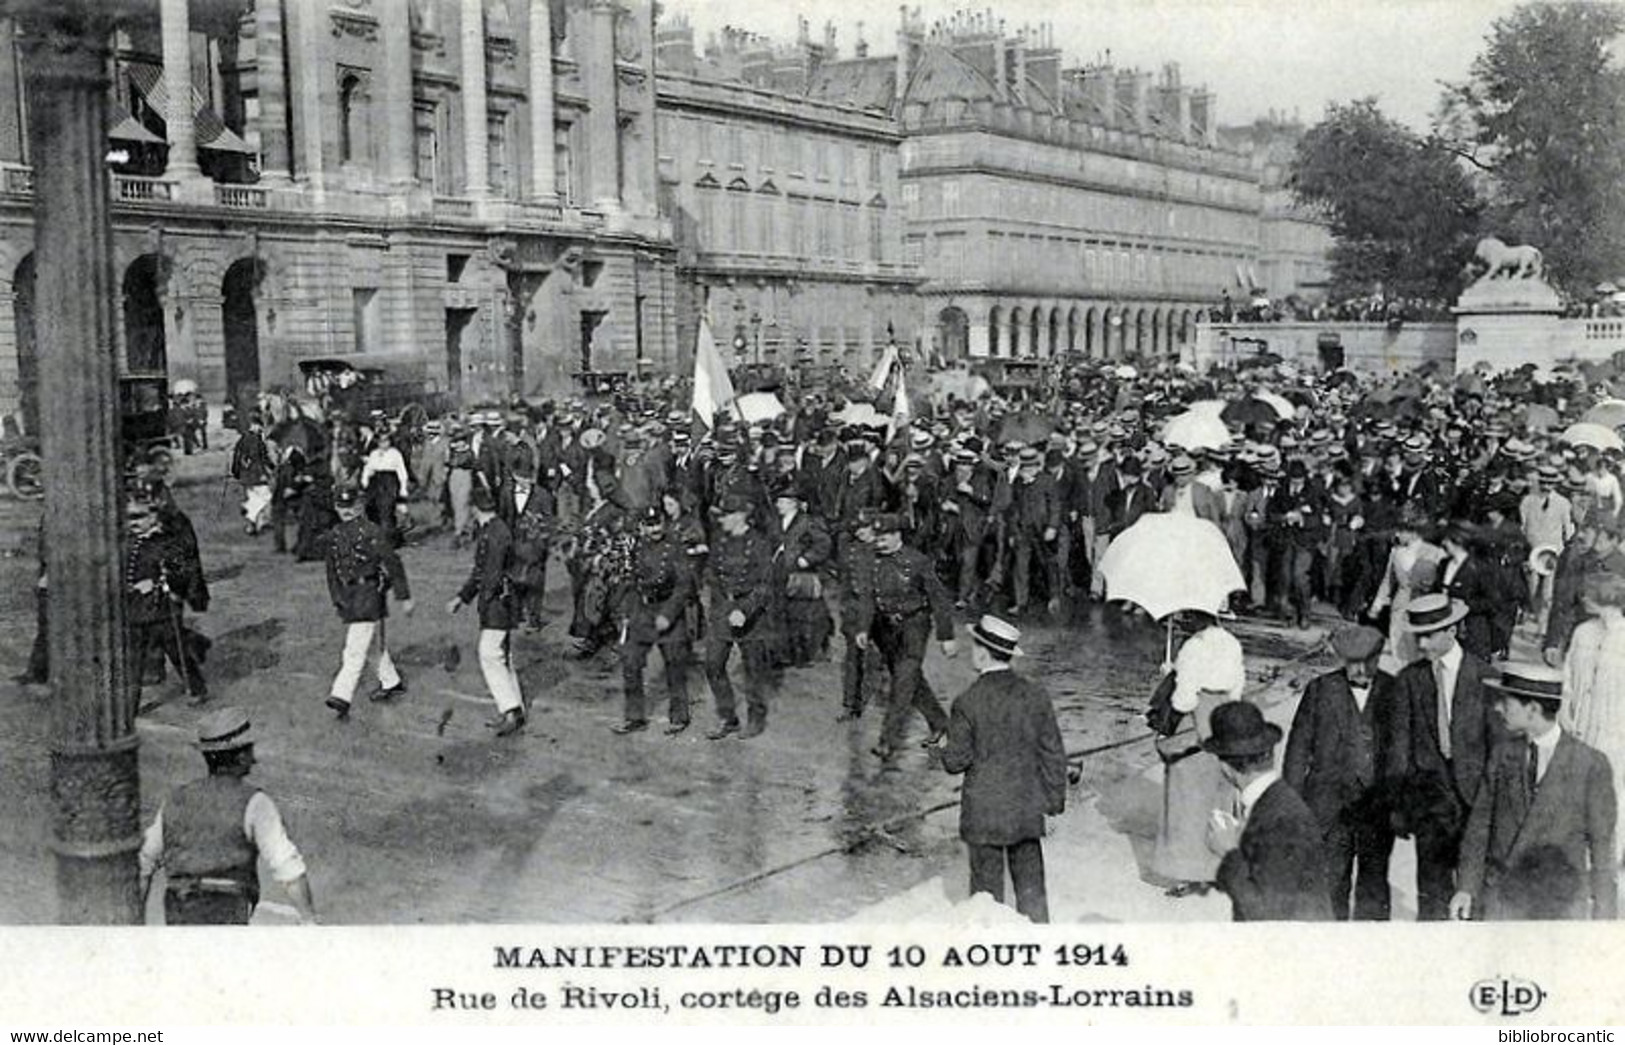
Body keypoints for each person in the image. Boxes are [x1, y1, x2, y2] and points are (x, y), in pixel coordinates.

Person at [1451, 662, 1617, 921]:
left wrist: (1604, 914)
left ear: (1533, 709)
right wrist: (1466, 888)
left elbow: (1602, 847)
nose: (1498, 708)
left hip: (1558, 908)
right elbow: (1479, 827)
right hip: (1502, 902)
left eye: (1506, 702)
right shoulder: (1502, 754)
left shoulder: (1590, 764)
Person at [933, 615, 1067, 923]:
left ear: (982, 653)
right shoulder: (1035, 695)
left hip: (984, 814)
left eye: (974, 647)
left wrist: (940, 746)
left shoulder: (967, 701)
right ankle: (1039, 941)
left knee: (986, 901)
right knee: (1032, 894)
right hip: (1026, 809)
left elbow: (956, 761)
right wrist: (1053, 800)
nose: (972, 653)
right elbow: (1053, 753)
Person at [138, 707, 318, 925]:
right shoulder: (255, 802)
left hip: (180, 907)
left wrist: (135, 923)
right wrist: (309, 919)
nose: (254, 759)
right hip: (229, 908)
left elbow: (144, 863)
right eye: (250, 751)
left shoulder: (175, 799)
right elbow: (288, 867)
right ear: (240, 757)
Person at [1389, 594, 1502, 920]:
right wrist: (1399, 805)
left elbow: (1499, 748)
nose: (1421, 644)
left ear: (1452, 631)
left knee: (1475, 888)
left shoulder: (1486, 677)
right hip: (1430, 803)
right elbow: (1400, 747)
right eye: (1417, 637)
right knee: (1432, 890)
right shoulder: (1409, 680)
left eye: (1428, 636)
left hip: (1476, 800)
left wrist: (1495, 802)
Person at [1283, 623, 1397, 920]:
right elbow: (1297, 750)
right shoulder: (1320, 690)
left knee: (1374, 887)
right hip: (1328, 806)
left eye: (1366, 663)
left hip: (1376, 808)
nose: (1359, 671)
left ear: (1378, 658)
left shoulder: (1395, 690)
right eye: (1352, 663)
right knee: (1330, 885)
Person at [1204, 700, 1333, 922]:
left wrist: (1229, 854)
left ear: (1225, 766)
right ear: (1269, 752)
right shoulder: (1273, 801)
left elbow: (1266, 914)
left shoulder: (1280, 819)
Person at [850, 513, 957, 765]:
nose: (879, 542)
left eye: (885, 537)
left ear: (898, 535)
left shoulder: (917, 561)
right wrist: (863, 628)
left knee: (902, 683)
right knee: (911, 680)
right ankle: (942, 725)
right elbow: (867, 598)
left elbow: (939, 599)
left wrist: (946, 636)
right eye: (877, 537)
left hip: (913, 627)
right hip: (886, 630)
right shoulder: (871, 561)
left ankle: (888, 741)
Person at [1151, 615, 1247, 896]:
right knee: (1219, 795)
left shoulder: (1193, 647)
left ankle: (1188, 873)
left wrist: (1170, 674)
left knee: (1186, 797)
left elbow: (1184, 700)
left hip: (1197, 720)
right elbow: (1237, 690)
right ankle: (1217, 868)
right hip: (1223, 719)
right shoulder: (1232, 642)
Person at [322, 486, 413, 721]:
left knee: (354, 649)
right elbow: (332, 572)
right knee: (372, 646)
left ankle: (341, 695)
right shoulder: (335, 535)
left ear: (359, 506)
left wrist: (404, 596)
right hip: (349, 595)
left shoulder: (372, 531)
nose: (346, 511)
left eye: (350, 506)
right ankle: (391, 682)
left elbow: (392, 563)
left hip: (369, 594)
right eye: (341, 506)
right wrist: (337, 598)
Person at [701, 493, 781, 739]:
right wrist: (720, 602)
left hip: (751, 615)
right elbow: (710, 572)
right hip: (723, 608)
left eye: (725, 516)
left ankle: (756, 718)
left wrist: (745, 609)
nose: (721, 520)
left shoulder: (759, 544)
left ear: (740, 516)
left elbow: (765, 585)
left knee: (753, 670)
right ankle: (728, 717)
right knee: (713, 665)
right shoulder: (720, 540)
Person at [448, 486, 526, 737]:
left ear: (474, 508)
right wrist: (462, 597)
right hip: (503, 600)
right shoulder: (495, 529)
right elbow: (482, 572)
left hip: (498, 603)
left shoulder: (493, 534)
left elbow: (488, 574)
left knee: (489, 654)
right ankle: (515, 707)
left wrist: (481, 600)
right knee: (502, 656)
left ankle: (510, 710)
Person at [1560, 571, 1625, 867]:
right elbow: (1568, 677)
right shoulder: (1583, 632)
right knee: (1578, 790)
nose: (1583, 598)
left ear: (1605, 597)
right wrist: (1565, 709)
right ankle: (1580, 859)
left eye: (1588, 593)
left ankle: (1609, 859)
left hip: (1616, 730)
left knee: (1614, 792)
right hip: (1582, 726)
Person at [125, 486, 209, 712]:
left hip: (161, 610)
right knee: (133, 659)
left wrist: (157, 584)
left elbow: (181, 572)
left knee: (176, 651)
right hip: (135, 609)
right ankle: (130, 705)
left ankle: (196, 687)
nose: (133, 523)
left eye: (138, 517)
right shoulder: (129, 542)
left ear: (153, 517)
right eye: (129, 518)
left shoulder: (166, 543)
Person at [614, 506, 695, 736]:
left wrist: (668, 614)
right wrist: (626, 612)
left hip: (668, 609)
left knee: (675, 665)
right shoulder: (637, 547)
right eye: (649, 525)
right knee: (630, 662)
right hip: (643, 611)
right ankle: (634, 717)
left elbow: (684, 586)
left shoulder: (675, 548)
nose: (655, 529)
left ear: (664, 523)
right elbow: (631, 582)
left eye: (658, 523)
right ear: (642, 527)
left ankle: (679, 716)